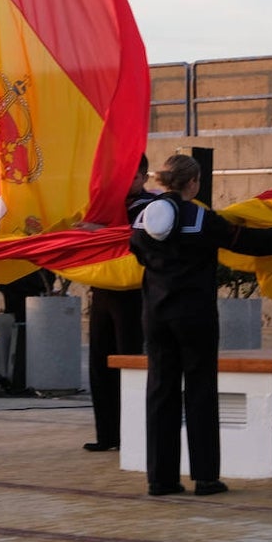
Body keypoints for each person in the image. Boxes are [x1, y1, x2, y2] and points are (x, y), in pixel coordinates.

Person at [130, 153, 272, 497]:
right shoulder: (202, 218)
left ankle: (160, 479)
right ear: (193, 183)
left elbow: (138, 253)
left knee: (160, 392)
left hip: (155, 315)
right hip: (194, 315)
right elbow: (244, 240)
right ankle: (206, 477)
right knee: (200, 391)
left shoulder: (141, 218)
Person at [83, 154, 154, 452]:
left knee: (130, 361)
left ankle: (133, 433)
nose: (128, 185)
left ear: (144, 177)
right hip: (103, 290)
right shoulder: (105, 205)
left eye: (133, 178)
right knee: (100, 363)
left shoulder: (151, 206)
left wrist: (98, 232)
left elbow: (137, 237)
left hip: (132, 293)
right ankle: (108, 435)